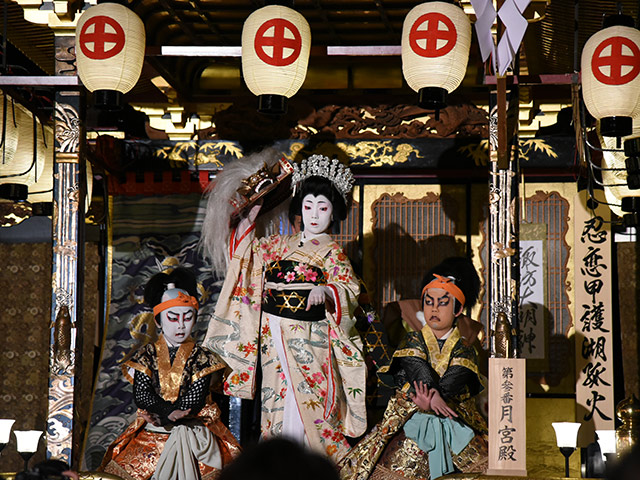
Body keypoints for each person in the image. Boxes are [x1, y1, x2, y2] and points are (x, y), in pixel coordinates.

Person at [201, 151, 367, 462]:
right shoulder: (279, 245)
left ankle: (318, 466)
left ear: (335, 212)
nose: (314, 214)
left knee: (313, 404)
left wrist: (328, 291)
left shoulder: (334, 254)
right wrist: (249, 221)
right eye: (308, 206)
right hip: (274, 337)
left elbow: (350, 289)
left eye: (322, 207)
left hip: (311, 340)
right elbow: (246, 257)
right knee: (276, 405)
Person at [339, 257, 488, 480]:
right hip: (412, 415)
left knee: (483, 468)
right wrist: (430, 397)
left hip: (453, 415)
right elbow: (414, 365)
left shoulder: (464, 348)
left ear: (458, 310)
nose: (434, 308)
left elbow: (459, 373)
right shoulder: (413, 340)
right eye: (429, 302)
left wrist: (438, 399)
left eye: (443, 303)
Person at [100, 268, 240, 480]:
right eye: (173, 318)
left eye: (187, 317)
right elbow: (142, 394)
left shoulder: (203, 356)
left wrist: (177, 412)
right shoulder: (145, 355)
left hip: (194, 435)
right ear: (158, 320)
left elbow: (197, 395)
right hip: (152, 431)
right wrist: (167, 412)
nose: (181, 325)